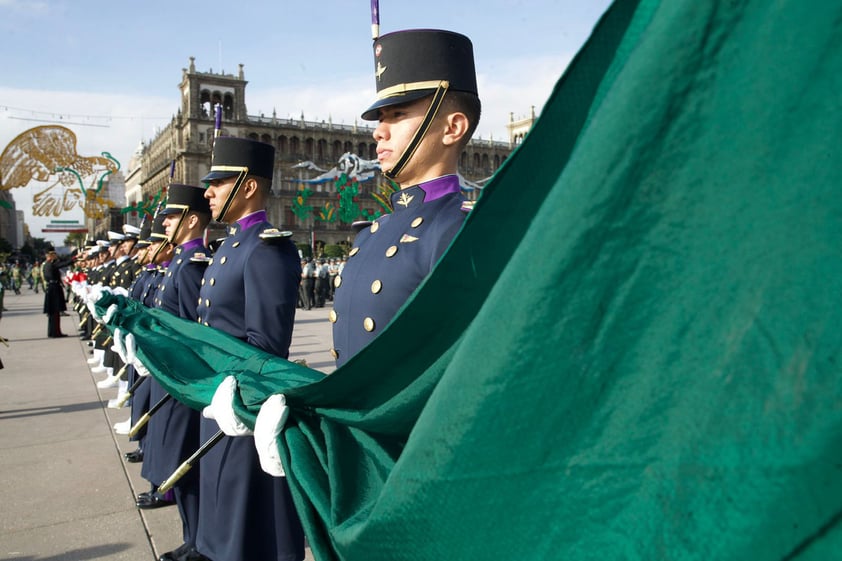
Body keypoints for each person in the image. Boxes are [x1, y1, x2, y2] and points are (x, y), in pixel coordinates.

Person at [328, 28, 479, 366]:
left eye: (397, 115)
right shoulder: (371, 233)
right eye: (381, 118)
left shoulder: (460, 231)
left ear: (452, 128)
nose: (378, 131)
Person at [195, 136, 305, 561]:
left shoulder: (266, 249)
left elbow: (265, 347)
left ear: (248, 187)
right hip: (219, 404)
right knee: (221, 524)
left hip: (244, 411)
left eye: (218, 182)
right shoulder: (229, 248)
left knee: (248, 535)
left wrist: (231, 388)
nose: (208, 192)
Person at [143, 185, 211, 561]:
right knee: (178, 460)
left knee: (187, 460)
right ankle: (192, 537)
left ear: (192, 220)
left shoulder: (191, 264)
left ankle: (199, 542)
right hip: (171, 378)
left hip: (184, 384)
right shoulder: (180, 263)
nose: (165, 223)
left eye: (171, 216)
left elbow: (191, 331)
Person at [42, 250, 75, 337]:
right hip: (54, 288)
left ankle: (52, 332)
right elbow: (64, 264)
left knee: (52, 313)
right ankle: (56, 332)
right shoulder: (52, 264)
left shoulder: (45, 265)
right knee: (55, 312)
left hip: (50, 288)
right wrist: (74, 258)